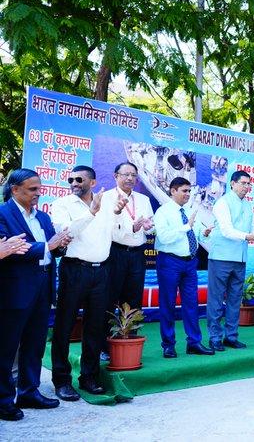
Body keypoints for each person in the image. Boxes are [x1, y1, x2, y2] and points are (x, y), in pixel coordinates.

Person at [51, 165, 127, 400]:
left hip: (102, 271)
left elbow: (116, 234)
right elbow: (65, 233)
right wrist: (91, 213)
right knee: (64, 326)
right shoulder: (62, 204)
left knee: (95, 327)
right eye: (71, 179)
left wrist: (119, 215)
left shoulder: (107, 203)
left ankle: (89, 377)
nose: (74, 183)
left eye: (79, 179)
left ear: (92, 183)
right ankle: (62, 381)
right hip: (74, 270)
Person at [0, 169, 69, 421]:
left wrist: (61, 244)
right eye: (32, 189)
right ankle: (3, 401)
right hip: (15, 290)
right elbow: (11, 249)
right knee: (7, 347)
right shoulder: (2, 213)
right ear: (15, 189)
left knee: (35, 344)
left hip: (43, 286)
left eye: (39, 189)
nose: (38, 194)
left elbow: (52, 249)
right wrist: (47, 246)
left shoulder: (43, 216)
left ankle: (29, 392)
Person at [154, 177, 214, 358]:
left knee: (191, 303)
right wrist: (185, 227)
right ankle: (168, 345)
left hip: (190, 262)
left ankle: (194, 342)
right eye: (184, 191)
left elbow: (196, 237)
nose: (188, 194)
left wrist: (204, 234)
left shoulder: (190, 211)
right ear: (173, 191)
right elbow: (164, 238)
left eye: (189, 191)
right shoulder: (163, 212)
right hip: (169, 261)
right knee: (168, 303)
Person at [101, 162, 154, 361]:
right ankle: (105, 346)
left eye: (133, 175)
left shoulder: (143, 199)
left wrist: (147, 227)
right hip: (115, 251)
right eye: (126, 174)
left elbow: (151, 226)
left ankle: (130, 342)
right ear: (116, 176)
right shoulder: (106, 198)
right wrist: (132, 227)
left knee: (134, 299)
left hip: (137, 254)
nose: (130, 178)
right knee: (109, 299)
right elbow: (106, 227)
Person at [206, 171, 254, 351]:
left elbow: (250, 228)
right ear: (232, 183)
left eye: (249, 184)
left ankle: (231, 336)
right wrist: (248, 236)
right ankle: (215, 337)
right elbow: (226, 230)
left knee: (235, 299)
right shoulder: (222, 202)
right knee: (216, 300)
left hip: (240, 258)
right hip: (221, 257)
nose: (246, 187)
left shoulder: (248, 205)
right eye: (243, 183)